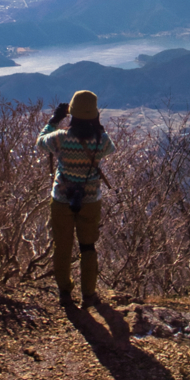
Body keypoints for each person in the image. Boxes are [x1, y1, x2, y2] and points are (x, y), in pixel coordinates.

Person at [36, 90, 116, 308]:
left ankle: (65, 292)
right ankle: (88, 294)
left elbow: (40, 142)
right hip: (90, 200)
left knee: (62, 246)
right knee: (88, 246)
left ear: (72, 113)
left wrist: (54, 120)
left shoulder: (60, 138)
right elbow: (111, 148)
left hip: (61, 198)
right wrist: (97, 127)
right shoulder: (101, 140)